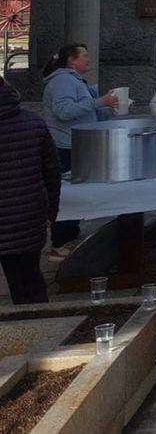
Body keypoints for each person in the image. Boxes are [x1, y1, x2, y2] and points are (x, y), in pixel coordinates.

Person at [41, 44, 114, 258]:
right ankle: (60, 242)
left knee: (75, 192)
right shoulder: (63, 81)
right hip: (65, 146)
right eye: (85, 56)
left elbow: (86, 112)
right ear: (71, 60)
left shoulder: (75, 81)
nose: (89, 60)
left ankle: (71, 236)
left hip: (77, 144)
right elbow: (63, 111)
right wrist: (99, 102)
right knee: (66, 195)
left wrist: (108, 108)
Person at [0, 79, 59, 305]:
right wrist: (50, 214)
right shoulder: (33, 123)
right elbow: (52, 173)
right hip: (26, 219)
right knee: (29, 286)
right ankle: (41, 334)